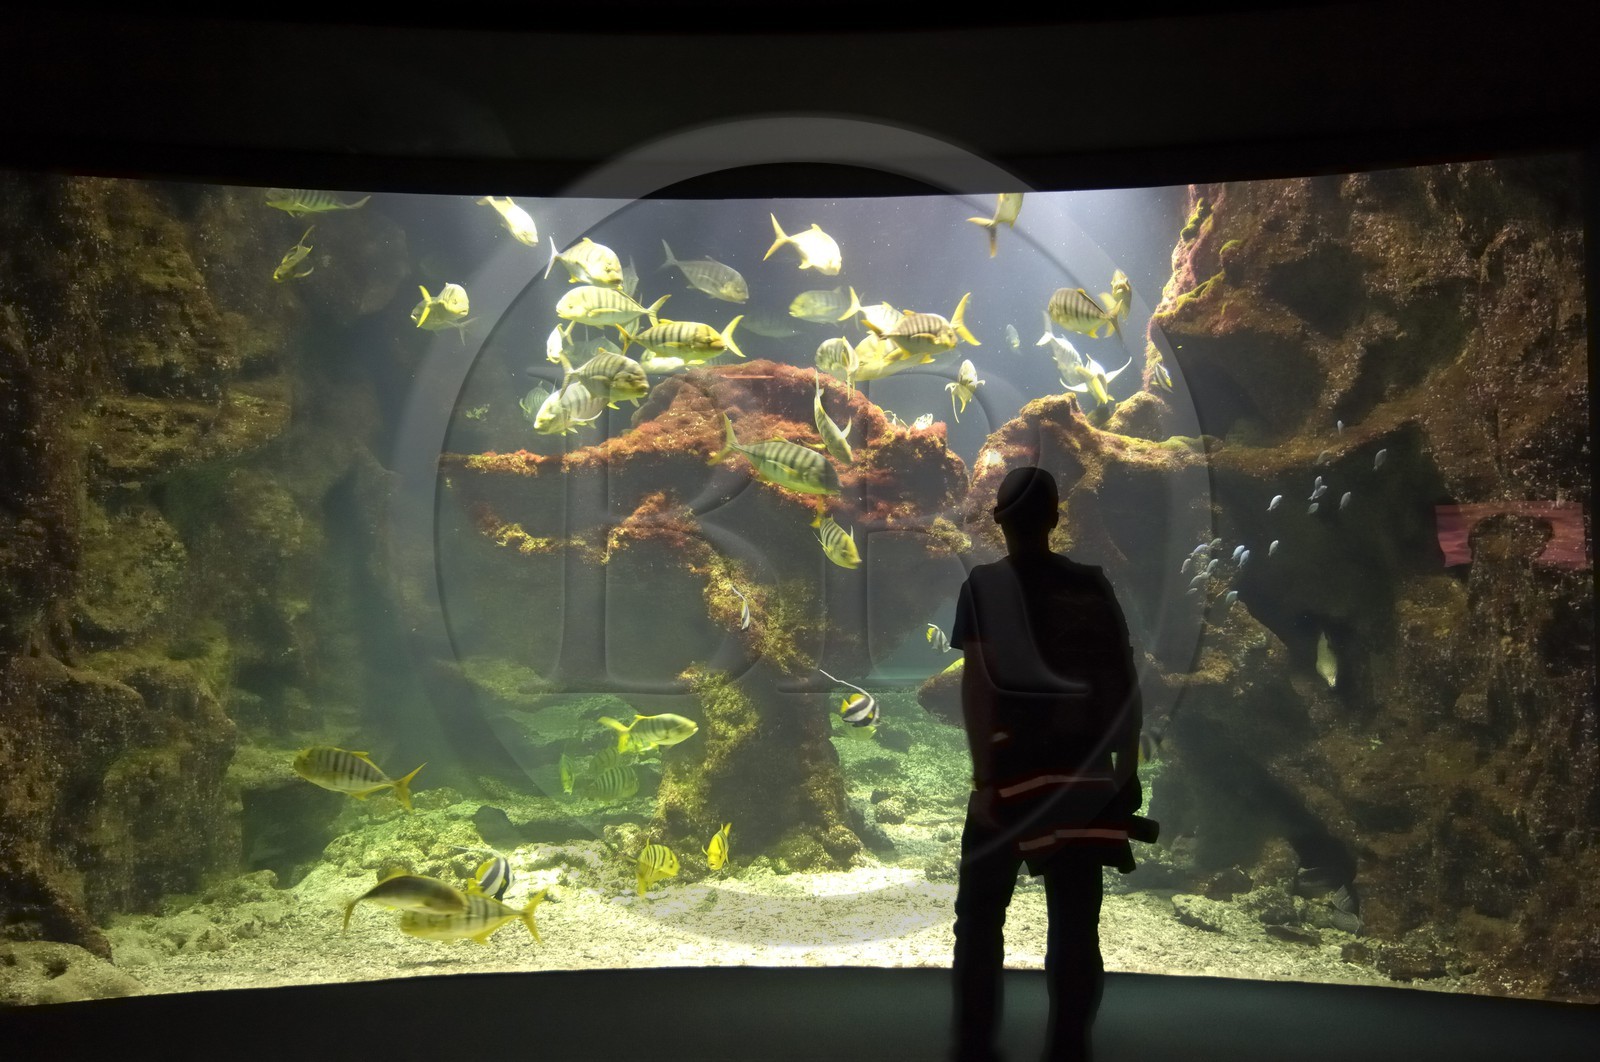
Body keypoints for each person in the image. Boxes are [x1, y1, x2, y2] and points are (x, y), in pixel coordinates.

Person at [949, 466, 1143, 1062]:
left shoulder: (983, 585)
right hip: (1084, 774)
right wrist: (1126, 769)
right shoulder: (1091, 583)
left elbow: (978, 688)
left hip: (1010, 775)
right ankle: (1070, 1047)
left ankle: (975, 1046)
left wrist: (984, 781)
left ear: (1000, 522)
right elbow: (1125, 682)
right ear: (1057, 516)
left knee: (980, 917)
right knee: (1076, 921)